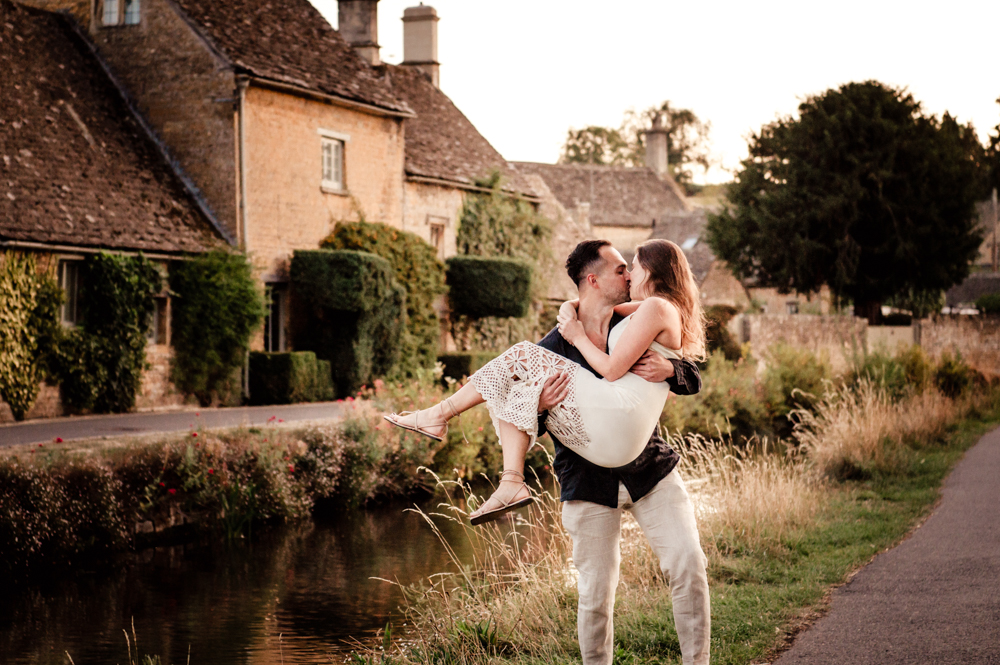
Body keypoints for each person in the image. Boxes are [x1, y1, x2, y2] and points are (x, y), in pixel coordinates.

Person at [387, 239, 710, 664]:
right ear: (592, 280)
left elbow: (685, 359)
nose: (629, 274)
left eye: (632, 267)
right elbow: (526, 420)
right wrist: (537, 407)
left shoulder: (629, 318)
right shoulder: (554, 347)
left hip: (647, 468)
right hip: (587, 477)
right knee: (594, 595)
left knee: (689, 565)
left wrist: (673, 368)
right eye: (621, 269)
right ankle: (499, 471)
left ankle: (469, 443)